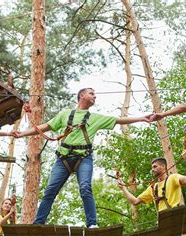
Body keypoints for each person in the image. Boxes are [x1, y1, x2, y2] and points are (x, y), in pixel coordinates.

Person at [14, 88, 152, 228]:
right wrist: (22, 133)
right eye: (92, 93)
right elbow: (44, 127)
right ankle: (38, 223)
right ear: (81, 95)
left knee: (85, 188)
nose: (95, 96)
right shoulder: (65, 114)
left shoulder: (95, 118)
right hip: (63, 158)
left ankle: (92, 224)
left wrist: (142, 118)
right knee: (50, 190)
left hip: (83, 158)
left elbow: (119, 120)